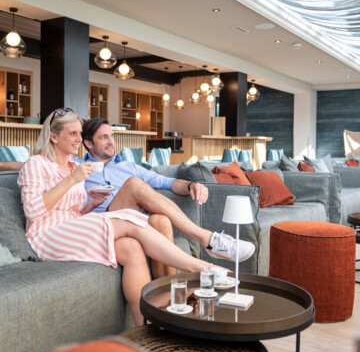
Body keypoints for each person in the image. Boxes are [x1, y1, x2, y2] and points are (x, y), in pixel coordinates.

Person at [17, 108, 231, 327]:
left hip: (72, 225)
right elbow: (33, 211)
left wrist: (91, 203)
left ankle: (146, 328)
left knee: (131, 247)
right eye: (73, 134)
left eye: (79, 133)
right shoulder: (38, 164)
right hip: (46, 234)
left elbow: (74, 212)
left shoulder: (74, 167)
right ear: (53, 136)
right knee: (129, 218)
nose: (78, 139)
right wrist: (71, 180)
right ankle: (201, 268)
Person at [78, 118, 255, 277]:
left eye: (112, 136)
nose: (111, 142)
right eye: (103, 138)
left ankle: (167, 296)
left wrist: (190, 185)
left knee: (161, 221)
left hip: (131, 222)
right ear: (88, 143)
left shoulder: (128, 166)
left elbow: (166, 182)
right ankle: (207, 239)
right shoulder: (76, 166)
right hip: (101, 224)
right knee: (133, 184)